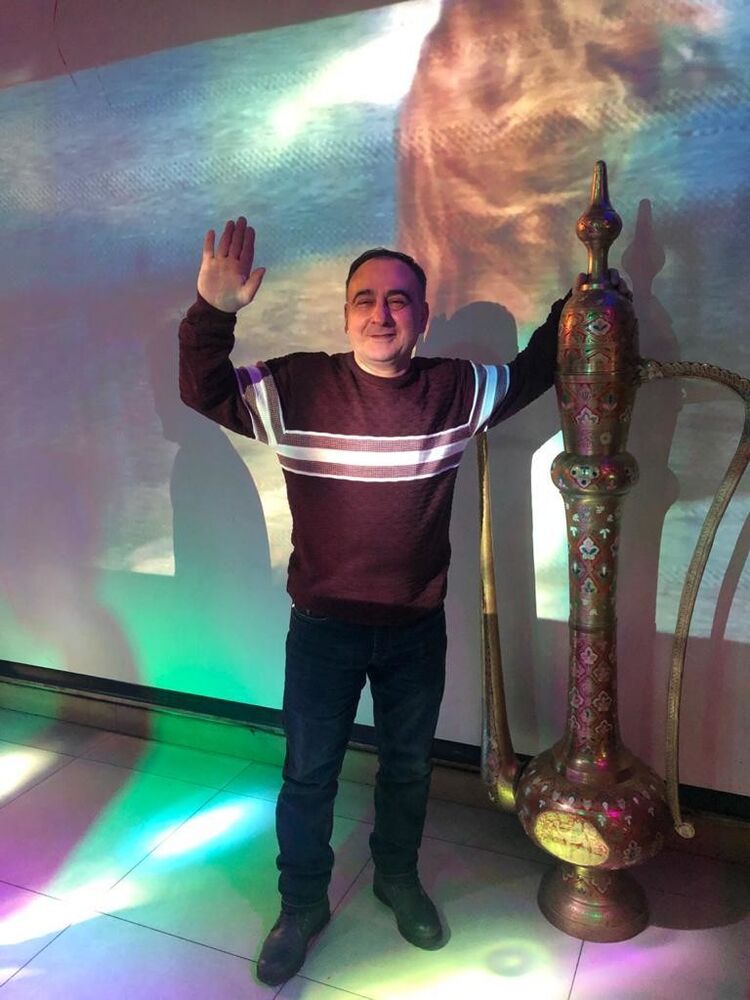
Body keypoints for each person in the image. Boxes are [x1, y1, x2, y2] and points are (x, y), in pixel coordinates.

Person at [178, 216, 623, 986]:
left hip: (415, 632)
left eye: (398, 300)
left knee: (409, 770)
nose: (380, 314)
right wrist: (213, 310)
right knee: (309, 775)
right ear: (346, 315)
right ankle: (302, 904)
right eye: (365, 300)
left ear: (421, 315)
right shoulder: (297, 387)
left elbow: (536, 367)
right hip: (323, 630)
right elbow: (203, 388)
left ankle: (396, 878)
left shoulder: (455, 389)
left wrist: (585, 292)